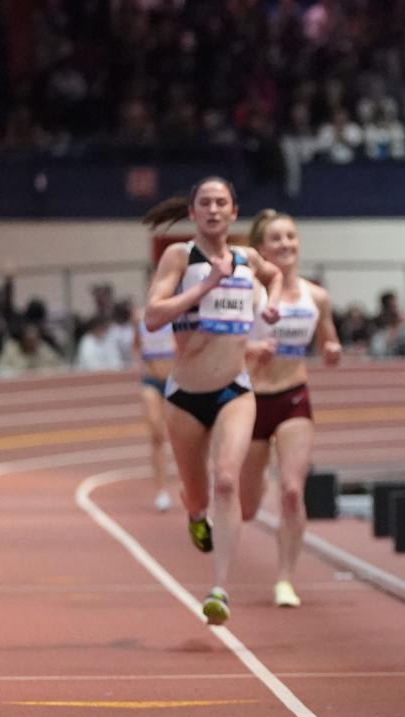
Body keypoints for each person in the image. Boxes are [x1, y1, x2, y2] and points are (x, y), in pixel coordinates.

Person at [143, 176, 282, 626]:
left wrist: (273, 304)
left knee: (226, 480)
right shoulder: (179, 257)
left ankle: (219, 588)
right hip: (184, 397)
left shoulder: (247, 258)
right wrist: (205, 287)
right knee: (199, 493)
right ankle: (194, 511)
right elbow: (152, 317)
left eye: (222, 202)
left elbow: (274, 273)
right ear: (193, 211)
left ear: (234, 211)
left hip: (233, 390)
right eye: (205, 202)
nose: (214, 209)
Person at [239, 209, 342, 608]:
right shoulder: (249, 291)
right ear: (261, 248)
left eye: (290, 237)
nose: (285, 245)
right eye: (276, 239)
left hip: (293, 397)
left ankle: (285, 580)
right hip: (249, 400)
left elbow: (328, 344)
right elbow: (225, 342)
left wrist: (331, 350)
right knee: (247, 507)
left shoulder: (316, 296)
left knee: (292, 490)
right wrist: (250, 349)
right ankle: (257, 479)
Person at [133, 294, 177, 512]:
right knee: (157, 434)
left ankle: (190, 485)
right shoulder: (140, 316)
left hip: (175, 379)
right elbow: (136, 344)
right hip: (150, 380)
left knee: (182, 435)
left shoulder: (177, 312)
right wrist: (139, 366)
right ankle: (161, 490)